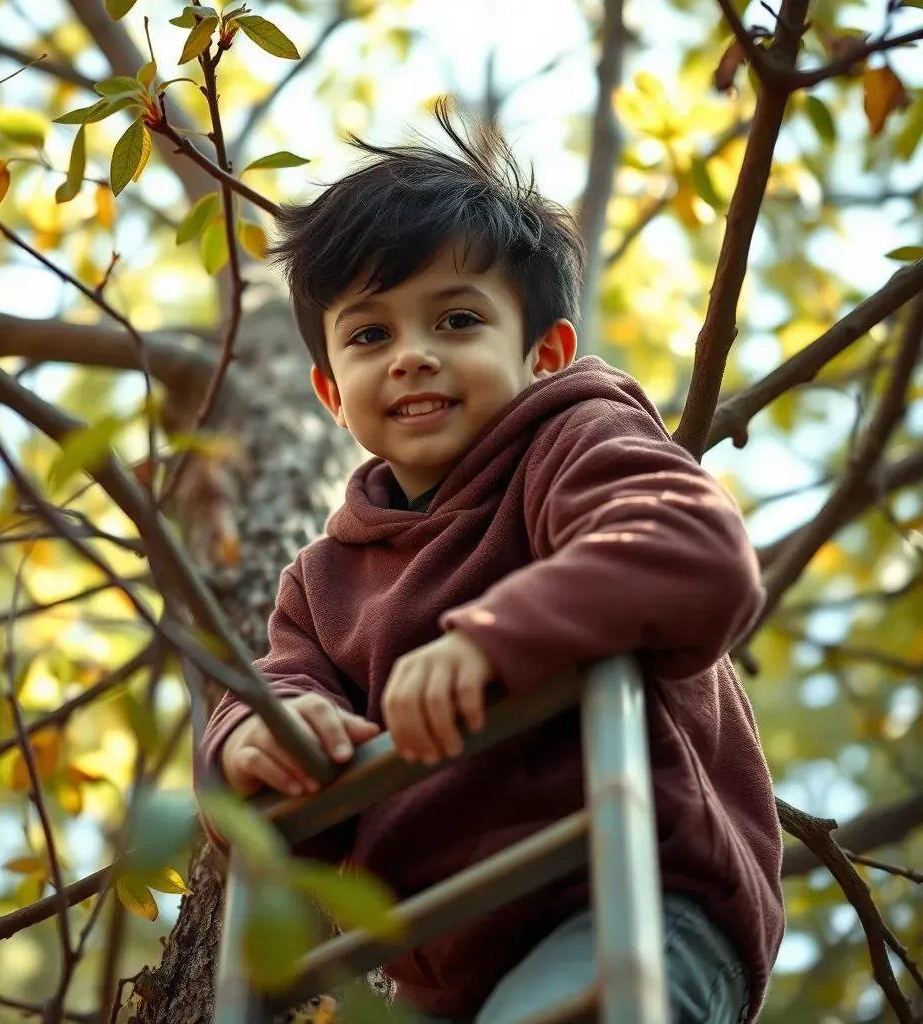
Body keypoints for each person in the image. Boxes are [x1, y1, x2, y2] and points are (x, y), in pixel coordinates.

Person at [200, 103, 784, 1024]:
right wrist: (253, 742)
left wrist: (491, 642)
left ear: (544, 354)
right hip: (445, 977)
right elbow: (273, 708)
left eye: (458, 319)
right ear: (329, 393)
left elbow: (690, 550)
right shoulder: (320, 584)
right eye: (369, 335)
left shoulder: (574, 439)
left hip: (629, 895)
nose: (412, 358)